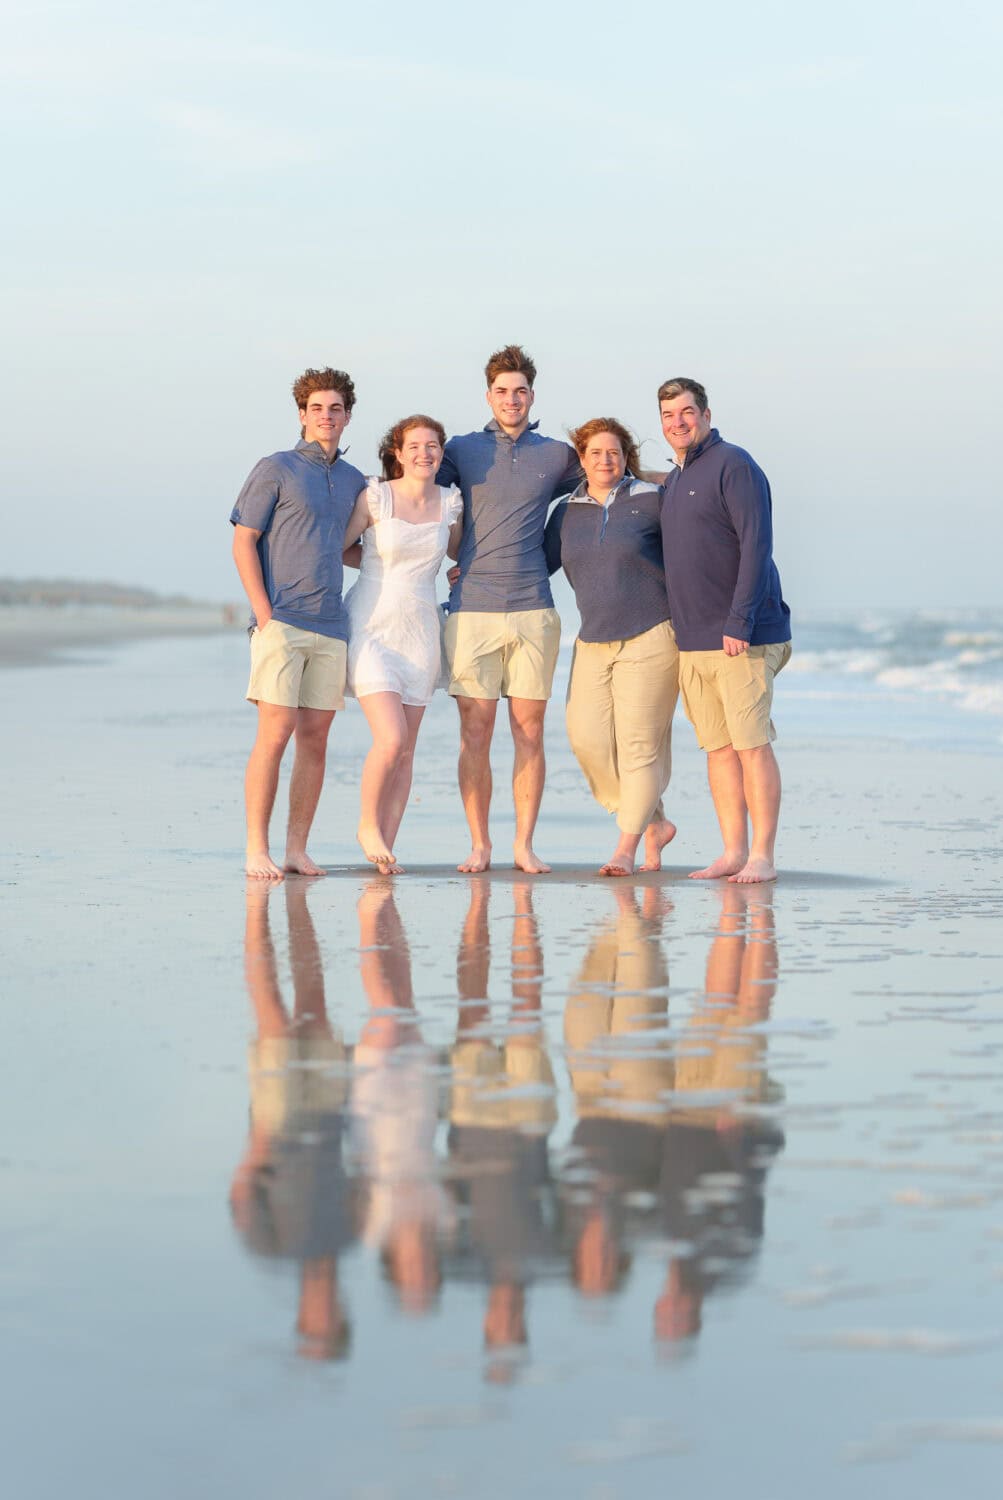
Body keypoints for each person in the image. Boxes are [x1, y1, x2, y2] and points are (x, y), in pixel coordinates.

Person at [438, 344, 581, 875]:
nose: (512, 399)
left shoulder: (556, 454)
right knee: (475, 732)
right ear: (488, 395)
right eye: (502, 391)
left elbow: (606, 478)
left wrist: (673, 483)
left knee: (529, 731)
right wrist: (442, 557)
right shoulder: (461, 449)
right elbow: (418, 488)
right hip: (472, 608)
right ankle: (480, 845)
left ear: (532, 395)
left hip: (532, 610)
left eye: (520, 391)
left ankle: (523, 845)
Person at [230, 367, 366, 879]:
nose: (326, 417)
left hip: (332, 624)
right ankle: (255, 849)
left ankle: (296, 849)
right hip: (282, 620)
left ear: (347, 416)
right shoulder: (276, 467)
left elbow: (346, 548)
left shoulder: (354, 481)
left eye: (335, 409)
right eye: (316, 409)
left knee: (316, 738)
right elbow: (244, 540)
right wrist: (264, 616)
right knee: (276, 732)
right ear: (302, 415)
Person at [658, 379, 792, 883]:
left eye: (687, 411)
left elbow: (757, 544)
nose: (678, 422)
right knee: (718, 749)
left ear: (707, 414)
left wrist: (740, 621)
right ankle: (733, 851)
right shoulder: (674, 481)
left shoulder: (734, 464)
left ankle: (762, 855)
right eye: (669, 415)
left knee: (751, 744)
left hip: (744, 638)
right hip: (693, 641)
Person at [545, 418, 679, 876]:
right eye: (596, 452)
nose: (606, 459)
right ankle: (653, 821)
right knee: (587, 740)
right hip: (592, 641)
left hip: (652, 634)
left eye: (614, 452)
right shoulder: (566, 512)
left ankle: (626, 847)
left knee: (640, 745)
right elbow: (535, 562)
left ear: (626, 458)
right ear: (580, 459)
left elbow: (695, 547)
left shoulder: (652, 500)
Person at [341, 416, 463, 873]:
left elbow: (458, 553)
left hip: (421, 629)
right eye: (414, 445)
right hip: (372, 621)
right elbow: (339, 546)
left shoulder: (451, 502)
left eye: (432, 446)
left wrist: (460, 573)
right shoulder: (376, 496)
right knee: (390, 739)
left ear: (440, 452)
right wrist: (373, 562)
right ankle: (366, 825)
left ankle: (386, 847)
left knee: (407, 748)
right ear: (398, 451)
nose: (423, 453)